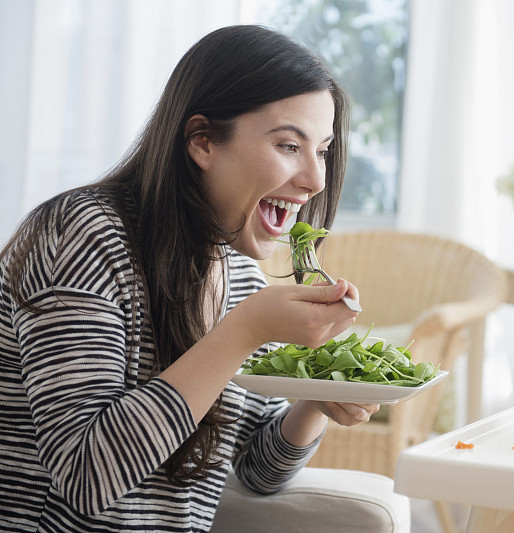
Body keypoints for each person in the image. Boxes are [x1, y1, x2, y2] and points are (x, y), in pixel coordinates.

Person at [0, 25, 381, 532]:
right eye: (290, 145)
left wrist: (315, 397)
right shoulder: (82, 234)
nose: (314, 180)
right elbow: (85, 474)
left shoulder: (238, 272)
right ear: (202, 142)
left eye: (324, 150)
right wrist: (243, 333)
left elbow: (257, 470)